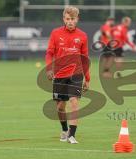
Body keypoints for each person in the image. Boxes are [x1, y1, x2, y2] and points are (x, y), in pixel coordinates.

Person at [45, 6, 90, 144]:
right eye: (67, 19)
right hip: (59, 75)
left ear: (77, 19)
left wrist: (87, 78)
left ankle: (72, 135)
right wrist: (48, 69)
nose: (70, 21)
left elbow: (85, 58)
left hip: (76, 74)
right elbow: (49, 53)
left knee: (74, 102)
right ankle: (64, 129)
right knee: (60, 107)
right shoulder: (55, 33)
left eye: (73, 19)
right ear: (64, 19)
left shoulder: (82, 35)